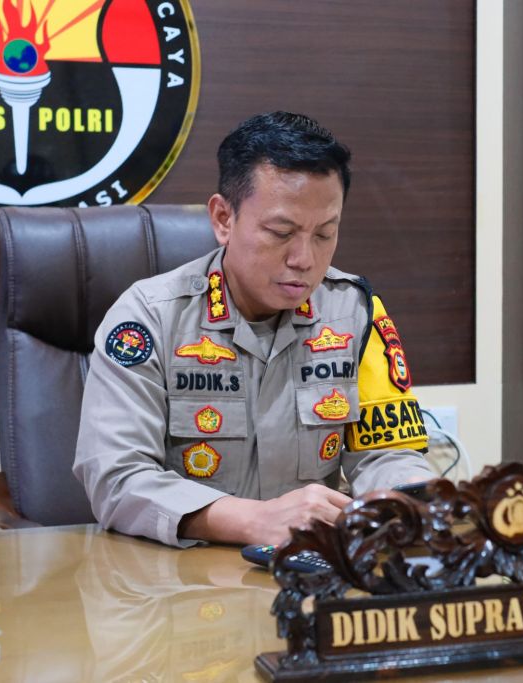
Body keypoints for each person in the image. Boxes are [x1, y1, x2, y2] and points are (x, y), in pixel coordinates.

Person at [73, 112, 434, 548]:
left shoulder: (353, 311)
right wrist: (252, 521)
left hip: (311, 566)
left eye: (325, 234)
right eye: (281, 232)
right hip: (182, 575)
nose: (304, 259)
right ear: (223, 219)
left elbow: (386, 453)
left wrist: (412, 501)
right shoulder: (149, 318)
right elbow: (117, 478)